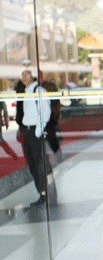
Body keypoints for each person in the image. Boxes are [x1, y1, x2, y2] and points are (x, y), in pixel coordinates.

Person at [20, 70, 53, 206]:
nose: (23, 77)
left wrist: (38, 132)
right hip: (28, 132)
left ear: (32, 76)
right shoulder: (27, 91)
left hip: (35, 132)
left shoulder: (39, 91)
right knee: (33, 166)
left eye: (26, 74)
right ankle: (41, 194)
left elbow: (46, 112)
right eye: (22, 75)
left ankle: (46, 194)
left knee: (39, 165)